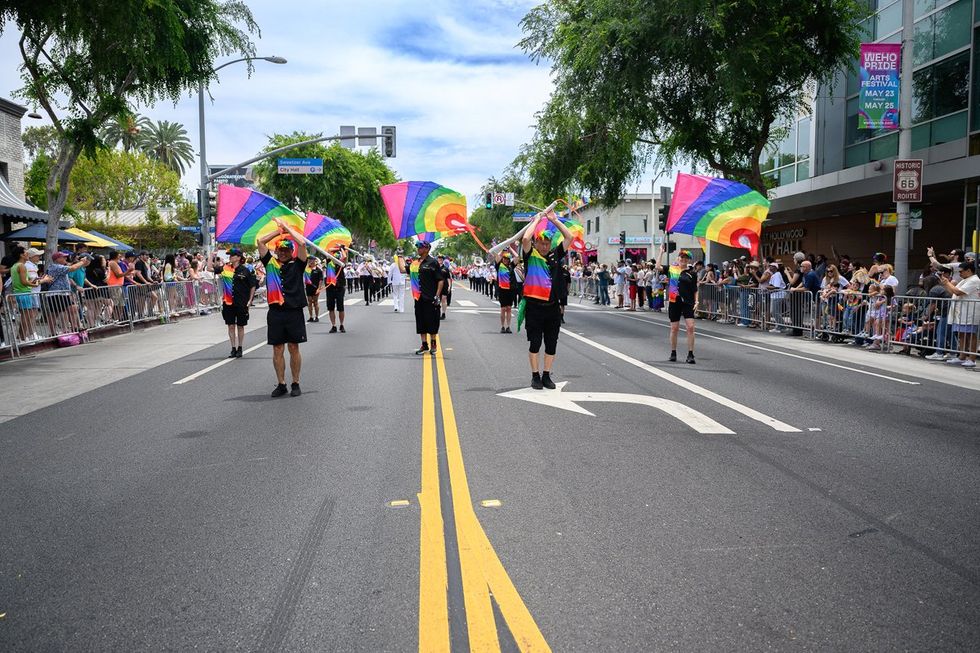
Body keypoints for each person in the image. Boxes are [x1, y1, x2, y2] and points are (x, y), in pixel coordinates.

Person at [521, 211, 575, 388]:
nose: (544, 246)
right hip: (534, 308)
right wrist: (537, 220)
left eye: (547, 243)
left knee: (551, 344)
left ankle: (546, 375)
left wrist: (554, 220)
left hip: (552, 308)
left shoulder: (555, 255)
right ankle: (535, 375)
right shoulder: (531, 256)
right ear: (536, 243)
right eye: (541, 243)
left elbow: (569, 237)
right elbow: (525, 239)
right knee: (535, 343)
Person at [258, 219, 309, 397]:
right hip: (276, 312)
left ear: (291, 251)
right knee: (277, 348)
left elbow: (302, 243)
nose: (283, 252)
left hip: (294, 311)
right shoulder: (270, 263)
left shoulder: (298, 264)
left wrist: (287, 229)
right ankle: (281, 383)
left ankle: (295, 382)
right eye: (280, 249)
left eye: (287, 250)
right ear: (276, 251)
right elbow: (260, 242)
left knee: (293, 347)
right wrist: (278, 232)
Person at [656, 245, 698, 363]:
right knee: (674, 328)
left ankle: (690, 354)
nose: (683, 259)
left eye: (686, 258)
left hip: (688, 302)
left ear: (688, 260)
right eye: (682, 257)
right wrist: (661, 252)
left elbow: (695, 289)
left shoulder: (692, 273)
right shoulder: (671, 268)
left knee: (690, 327)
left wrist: (697, 301)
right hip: (674, 301)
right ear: (678, 258)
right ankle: (673, 352)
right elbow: (657, 267)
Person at [212, 248, 255, 358]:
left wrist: (250, 300)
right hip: (228, 302)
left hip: (241, 302)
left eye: (232, 255)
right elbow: (209, 268)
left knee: (240, 326)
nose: (230, 257)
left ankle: (240, 347)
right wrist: (212, 255)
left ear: (239, 257)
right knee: (231, 325)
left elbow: (252, 285)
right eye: (230, 255)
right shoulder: (225, 268)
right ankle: (233, 348)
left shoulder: (245, 270)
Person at [940, 260, 979, 368]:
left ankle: (972, 358)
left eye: (961, 271)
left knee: (971, 335)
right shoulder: (965, 280)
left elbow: (958, 292)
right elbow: (954, 292)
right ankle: (962, 356)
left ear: (969, 270)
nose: (960, 274)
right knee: (961, 334)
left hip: (969, 312)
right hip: (961, 312)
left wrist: (947, 282)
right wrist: (946, 284)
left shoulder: (974, 280)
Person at [411, 239, 445, 355]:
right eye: (418, 247)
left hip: (430, 297)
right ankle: (424, 344)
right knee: (421, 321)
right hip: (418, 297)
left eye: (420, 247)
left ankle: (433, 343)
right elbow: (402, 270)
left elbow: (440, 280)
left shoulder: (433, 262)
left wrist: (437, 295)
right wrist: (399, 256)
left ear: (427, 249)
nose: (418, 249)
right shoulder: (415, 263)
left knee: (432, 321)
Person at [324, 247, 348, 332]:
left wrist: (342, 248)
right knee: (331, 308)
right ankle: (333, 325)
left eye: (336, 258)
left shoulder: (341, 264)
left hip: (340, 287)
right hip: (330, 287)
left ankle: (341, 324)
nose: (334, 259)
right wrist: (337, 248)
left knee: (340, 308)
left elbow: (345, 257)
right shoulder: (329, 262)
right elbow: (329, 251)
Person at [495, 249, 516, 333]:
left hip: (510, 290)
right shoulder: (499, 265)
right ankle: (502, 326)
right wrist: (502, 249)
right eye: (504, 258)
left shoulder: (511, 266)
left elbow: (518, 257)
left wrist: (511, 248)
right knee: (503, 308)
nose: (505, 260)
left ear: (509, 259)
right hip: (502, 290)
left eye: (507, 258)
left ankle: (508, 326)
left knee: (509, 308)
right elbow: (496, 255)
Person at [305, 257, 324, 323]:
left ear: (314, 261)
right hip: (308, 287)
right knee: (309, 302)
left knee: (315, 302)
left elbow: (321, 280)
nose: (310, 261)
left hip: (315, 288)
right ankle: (311, 317)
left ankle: (316, 316)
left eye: (311, 260)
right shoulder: (307, 269)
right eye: (309, 260)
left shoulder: (318, 270)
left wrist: (319, 288)